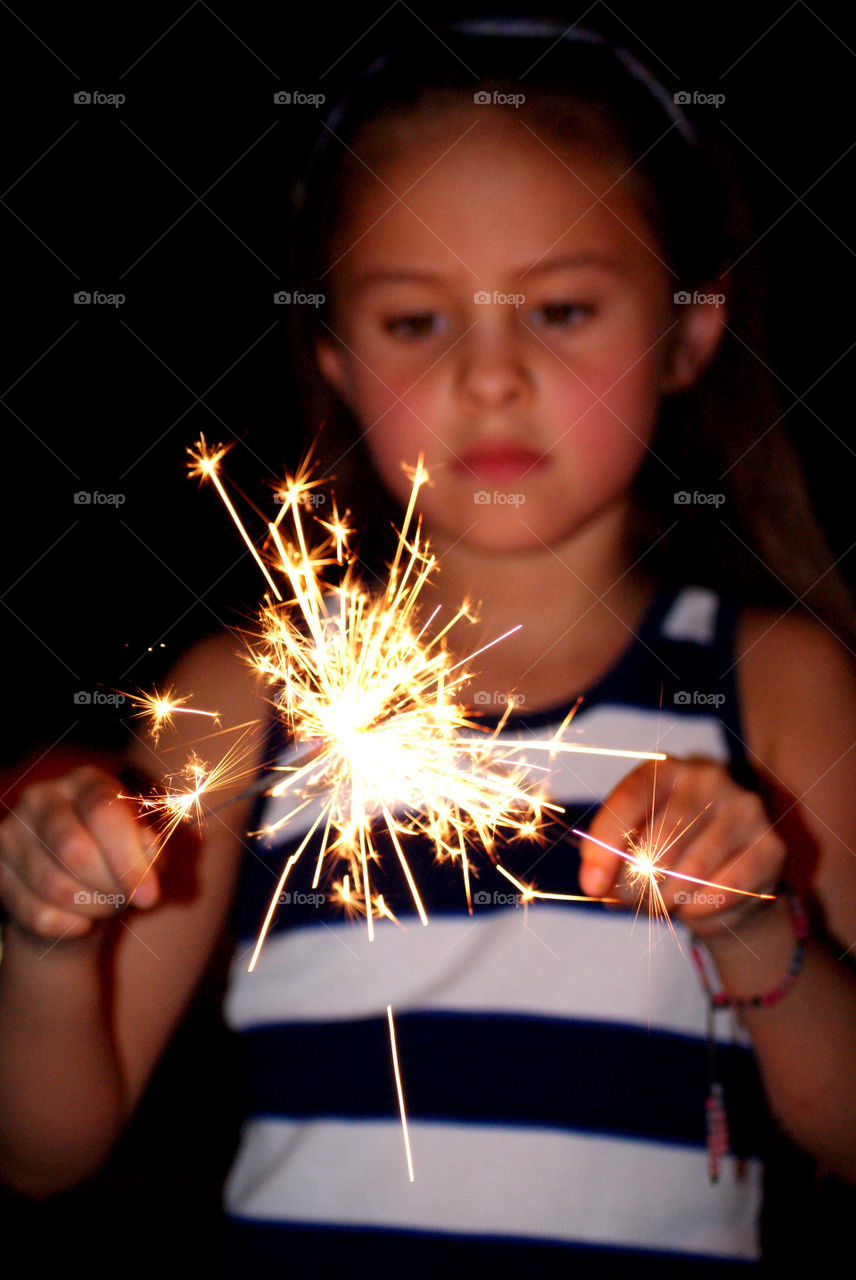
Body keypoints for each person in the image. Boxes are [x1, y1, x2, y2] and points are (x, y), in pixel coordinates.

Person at [2, 17, 856, 1276]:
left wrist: (748, 932)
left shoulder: (775, 687)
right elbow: (42, 1150)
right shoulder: (241, 698)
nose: (492, 376)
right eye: (416, 321)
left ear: (687, 326)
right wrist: (41, 940)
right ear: (335, 355)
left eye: (561, 306)